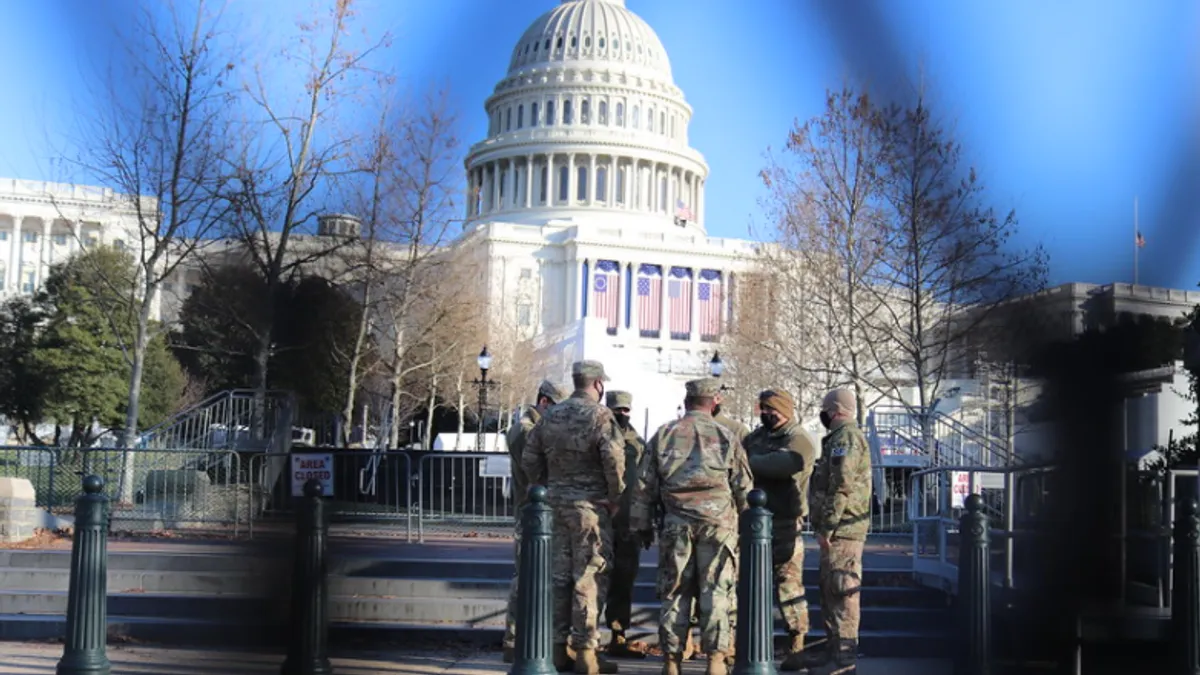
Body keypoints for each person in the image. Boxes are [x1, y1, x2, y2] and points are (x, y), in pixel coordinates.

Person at [630, 378, 753, 675]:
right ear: (714, 403)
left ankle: (671, 662)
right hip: (718, 525)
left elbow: (643, 485)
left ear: (687, 402)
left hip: (676, 524)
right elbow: (744, 487)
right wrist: (748, 525)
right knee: (717, 592)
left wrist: (641, 525)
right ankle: (715, 661)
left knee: (674, 592)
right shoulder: (726, 436)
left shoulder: (664, 434)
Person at [522, 360, 626, 675]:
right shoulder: (602, 417)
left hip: (554, 508)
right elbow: (614, 460)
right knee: (589, 579)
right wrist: (614, 497)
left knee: (556, 578)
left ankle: (555, 650)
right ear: (597, 384)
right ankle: (585, 654)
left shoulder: (550, 415)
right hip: (590, 509)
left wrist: (544, 486)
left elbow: (529, 457)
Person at [741, 388, 819, 671]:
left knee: (788, 585)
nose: (764, 414)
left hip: (785, 522)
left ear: (784, 410)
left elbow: (785, 464)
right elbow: (739, 451)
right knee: (744, 583)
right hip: (753, 524)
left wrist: (747, 463)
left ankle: (796, 644)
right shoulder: (757, 437)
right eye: (761, 408)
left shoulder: (799, 438)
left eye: (769, 409)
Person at [503, 378, 568, 663]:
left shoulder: (537, 427)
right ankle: (513, 639)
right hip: (530, 515)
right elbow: (539, 460)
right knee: (525, 578)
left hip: (542, 515)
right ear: (544, 402)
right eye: (556, 408)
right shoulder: (524, 429)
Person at [808, 388, 872, 672]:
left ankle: (844, 661)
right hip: (838, 530)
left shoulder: (846, 438)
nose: (823, 414)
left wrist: (828, 527)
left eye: (825, 409)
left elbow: (841, 484)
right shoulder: (838, 438)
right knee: (831, 594)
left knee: (843, 594)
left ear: (834, 410)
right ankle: (834, 653)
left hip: (843, 531)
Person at [603, 390, 648, 659]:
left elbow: (645, 481)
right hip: (600, 521)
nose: (621, 414)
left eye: (625, 410)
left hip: (628, 522)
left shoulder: (638, 444)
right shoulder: (597, 435)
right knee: (591, 580)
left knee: (624, 579)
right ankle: (582, 638)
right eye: (617, 409)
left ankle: (618, 635)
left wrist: (644, 519)